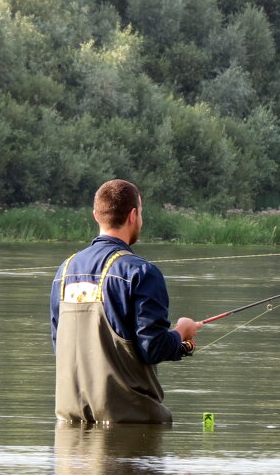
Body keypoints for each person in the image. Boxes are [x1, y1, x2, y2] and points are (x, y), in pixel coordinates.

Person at [50, 179, 202, 424]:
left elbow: (61, 346)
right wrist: (181, 333)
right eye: (141, 212)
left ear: (95, 216)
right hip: (131, 422)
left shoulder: (64, 271)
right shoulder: (141, 272)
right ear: (133, 215)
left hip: (71, 424)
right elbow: (153, 348)